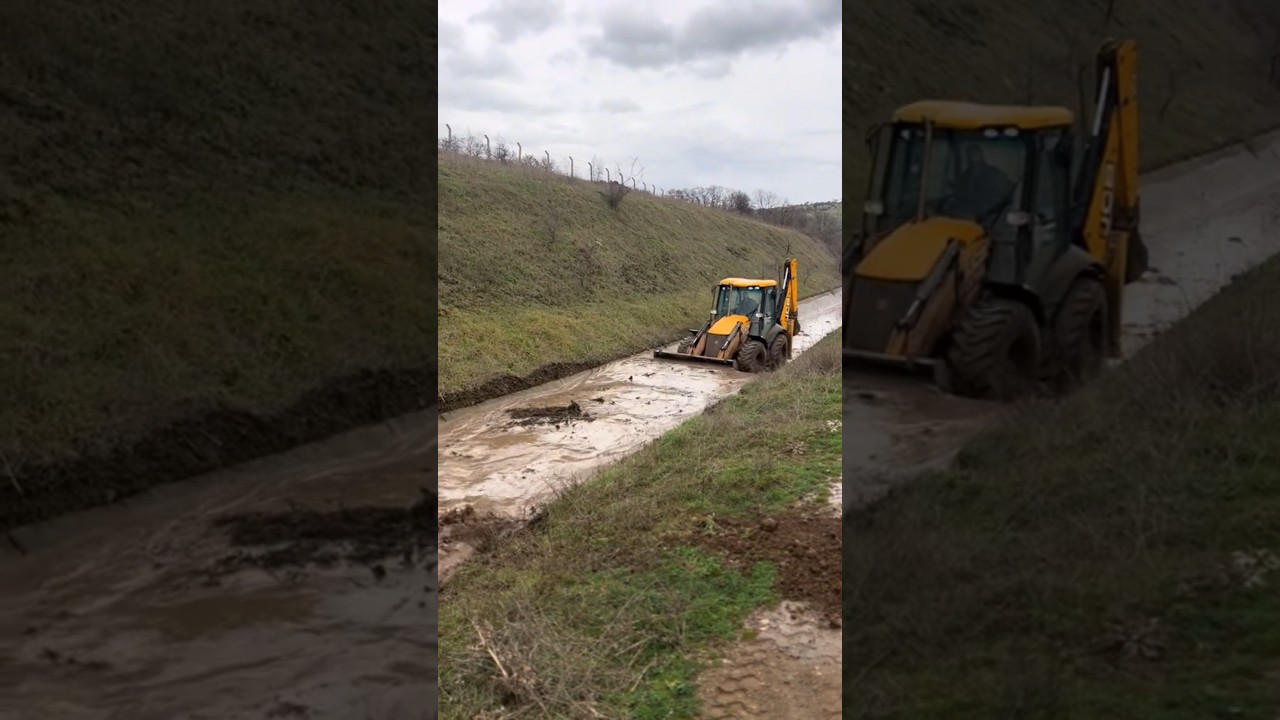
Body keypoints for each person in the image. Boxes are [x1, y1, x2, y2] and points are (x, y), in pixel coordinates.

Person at [948, 145, 1015, 223]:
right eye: (970, 154)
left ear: (981, 155)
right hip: (966, 218)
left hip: (989, 218)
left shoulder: (994, 174)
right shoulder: (964, 177)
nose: (973, 157)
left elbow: (1005, 195)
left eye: (975, 154)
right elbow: (959, 197)